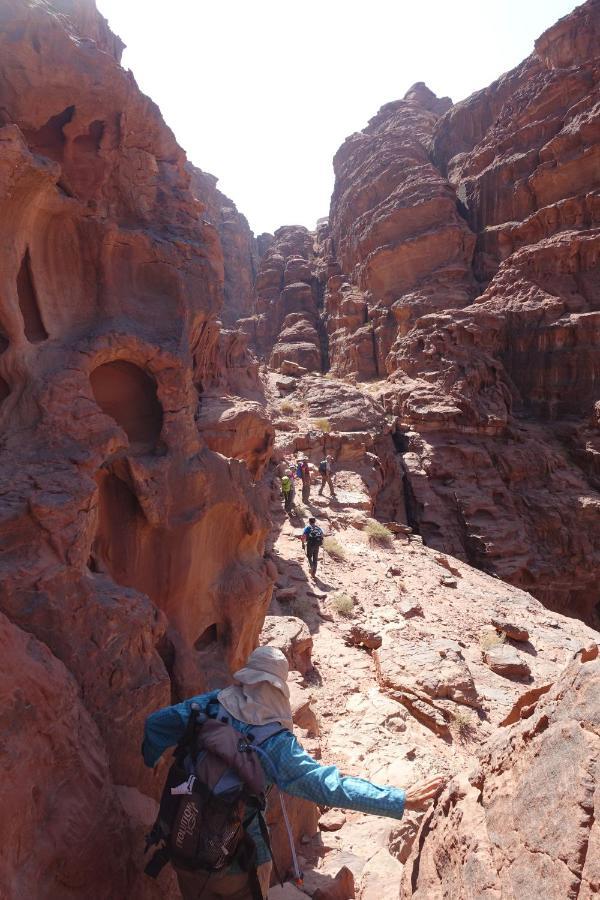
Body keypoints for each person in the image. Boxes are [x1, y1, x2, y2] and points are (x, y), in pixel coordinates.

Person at [142, 647, 446, 900]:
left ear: (248, 676)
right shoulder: (275, 744)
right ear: (278, 688)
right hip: (232, 860)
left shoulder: (209, 706)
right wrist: (397, 800)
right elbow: (327, 787)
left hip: (181, 837)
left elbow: (155, 725)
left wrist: (151, 760)